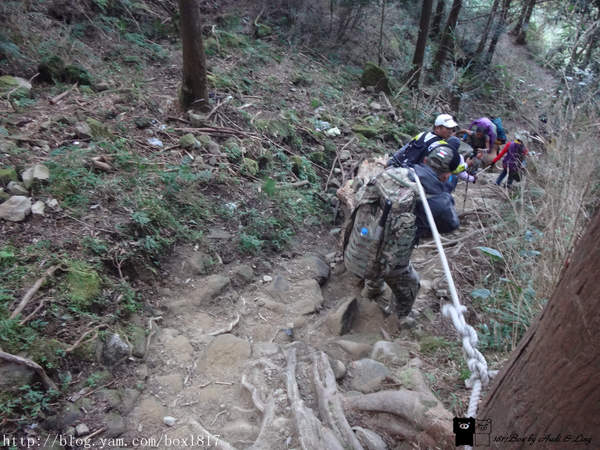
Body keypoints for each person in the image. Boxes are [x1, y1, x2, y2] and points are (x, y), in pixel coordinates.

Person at [388, 113, 458, 168]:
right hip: (416, 174)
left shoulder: (422, 134)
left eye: (452, 128)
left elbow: (404, 148)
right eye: (448, 128)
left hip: (403, 165)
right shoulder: (441, 145)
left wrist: (391, 161)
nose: (451, 131)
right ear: (437, 128)